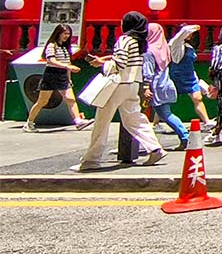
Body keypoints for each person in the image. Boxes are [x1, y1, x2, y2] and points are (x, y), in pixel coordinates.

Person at [75, 12, 165, 170]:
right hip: (133, 84)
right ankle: (154, 147)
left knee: (102, 122)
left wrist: (102, 65)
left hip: (118, 84)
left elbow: (120, 63)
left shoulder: (124, 39)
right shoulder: (139, 42)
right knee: (134, 118)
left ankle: (91, 160)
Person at [24, 24, 92, 132]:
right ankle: (29, 123)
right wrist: (67, 66)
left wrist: (69, 77)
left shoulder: (65, 47)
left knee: (71, 99)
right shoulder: (51, 45)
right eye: (64, 33)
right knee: (42, 101)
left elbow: (67, 62)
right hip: (51, 74)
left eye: (68, 34)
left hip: (63, 75)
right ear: (58, 33)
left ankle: (78, 121)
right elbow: (51, 60)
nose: (66, 36)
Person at [143, 23, 188, 150]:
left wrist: (146, 87)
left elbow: (148, 71)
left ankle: (185, 137)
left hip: (155, 87)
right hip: (166, 84)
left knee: (165, 114)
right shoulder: (164, 49)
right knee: (164, 113)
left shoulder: (149, 51)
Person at [167, 24, 214, 129]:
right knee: (166, 100)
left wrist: (201, 85)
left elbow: (191, 67)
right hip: (177, 76)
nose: (191, 35)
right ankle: (156, 123)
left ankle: (207, 121)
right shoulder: (175, 44)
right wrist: (194, 27)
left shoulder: (189, 46)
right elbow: (183, 32)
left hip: (190, 76)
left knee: (198, 98)